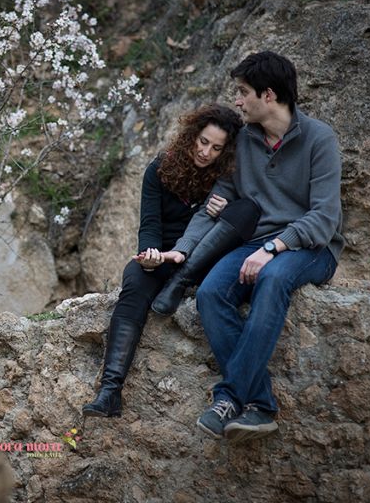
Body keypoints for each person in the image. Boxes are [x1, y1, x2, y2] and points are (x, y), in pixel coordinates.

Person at [159, 51, 344, 443]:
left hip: (312, 248)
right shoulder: (243, 142)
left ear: (269, 95)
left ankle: (227, 398)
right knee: (210, 293)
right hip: (256, 244)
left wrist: (275, 247)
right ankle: (259, 406)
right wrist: (183, 249)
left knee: (273, 279)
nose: (237, 101)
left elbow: (325, 218)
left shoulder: (319, 139)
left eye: (243, 93)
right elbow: (215, 207)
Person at [82, 104, 261, 418]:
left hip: (205, 259)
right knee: (134, 283)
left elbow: (241, 220)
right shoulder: (160, 168)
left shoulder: (228, 178)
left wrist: (221, 212)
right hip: (164, 255)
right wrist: (150, 255)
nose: (206, 152)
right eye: (203, 141)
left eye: (217, 148)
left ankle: (181, 282)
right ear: (192, 135)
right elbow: (149, 223)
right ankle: (110, 391)